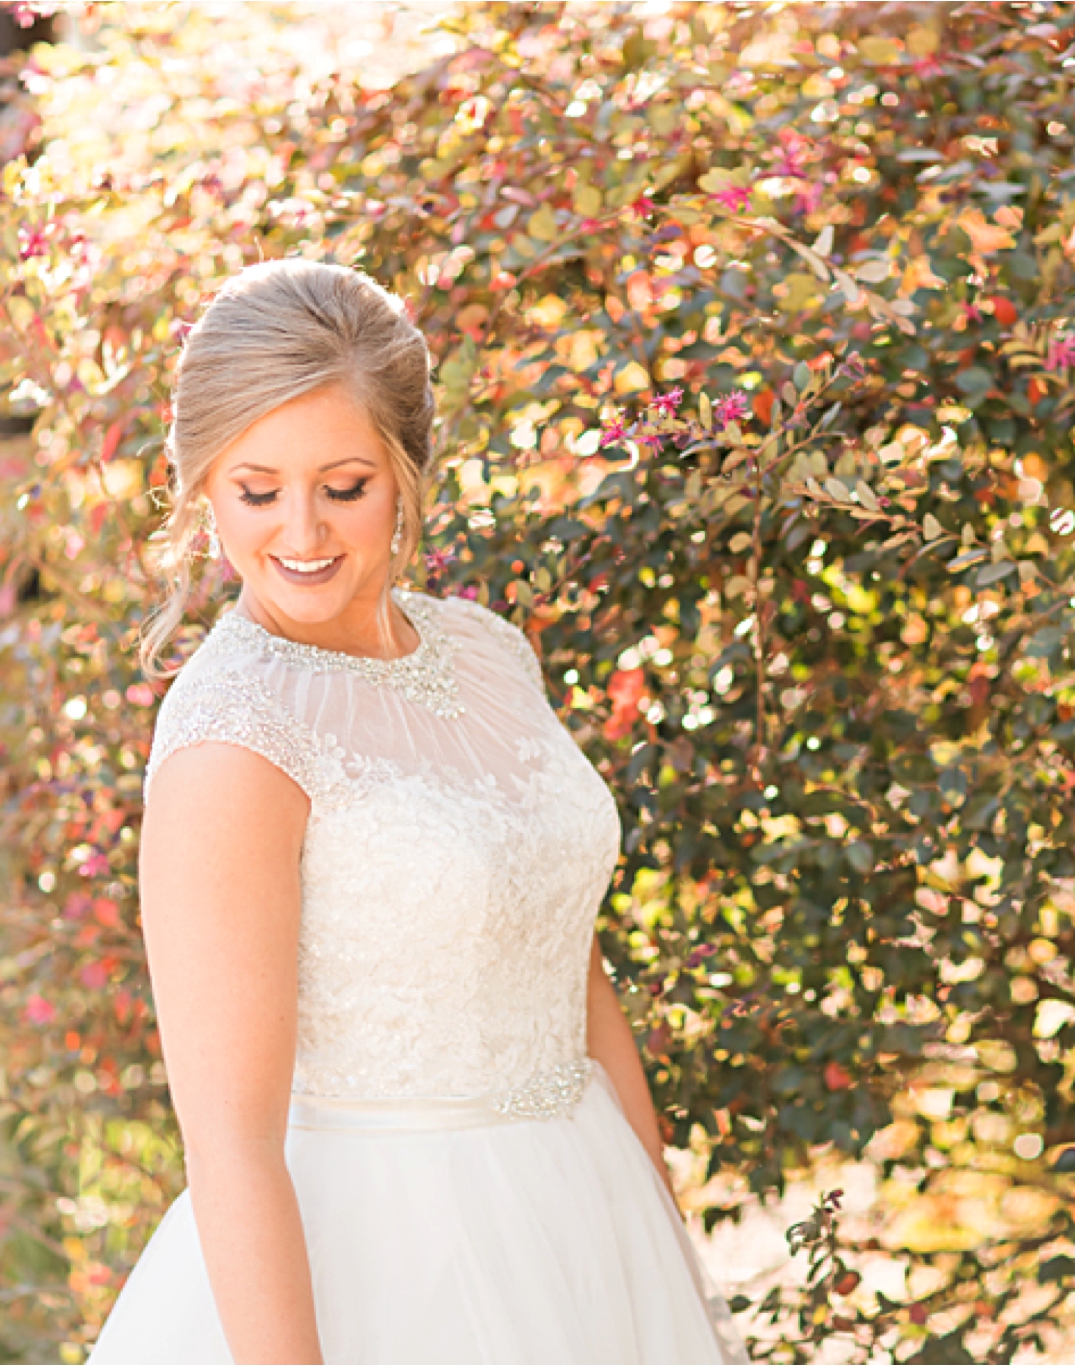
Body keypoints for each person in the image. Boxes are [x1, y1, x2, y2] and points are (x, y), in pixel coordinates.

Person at [85, 258, 748, 1364]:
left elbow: (570, 975)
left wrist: (657, 1236)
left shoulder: (486, 654)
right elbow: (231, 1148)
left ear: (405, 472)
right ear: (201, 486)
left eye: (343, 485)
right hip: (384, 1268)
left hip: (587, 1217)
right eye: (256, 490)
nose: (301, 532)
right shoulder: (232, 738)